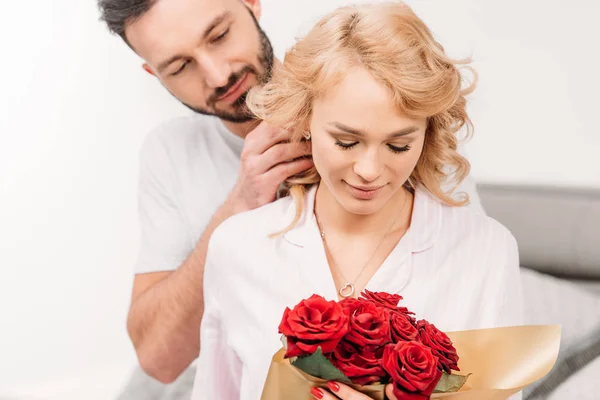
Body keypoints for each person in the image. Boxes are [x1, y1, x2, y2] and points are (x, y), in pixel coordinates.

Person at [97, 0, 484, 392]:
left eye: (219, 35)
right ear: (154, 73)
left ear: (251, 3)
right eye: (180, 67)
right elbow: (157, 359)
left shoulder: (393, 121)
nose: (217, 75)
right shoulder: (170, 153)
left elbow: (466, 319)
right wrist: (241, 203)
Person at [191, 2, 523, 400]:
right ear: (305, 119)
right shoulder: (239, 248)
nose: (369, 169)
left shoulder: (485, 251)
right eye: (346, 141)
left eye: (398, 145)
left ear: (428, 133)